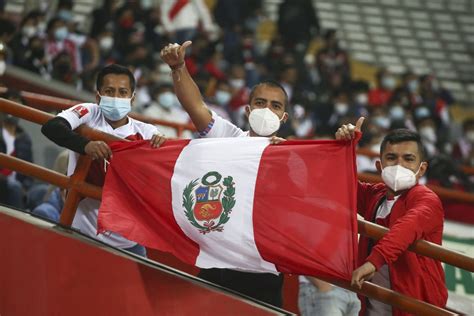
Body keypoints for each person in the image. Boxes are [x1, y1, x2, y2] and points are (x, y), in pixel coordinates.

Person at [160, 41, 286, 307]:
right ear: (248, 110)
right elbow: (195, 106)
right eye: (260, 102)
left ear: (283, 117)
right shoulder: (227, 136)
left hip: (265, 272)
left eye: (275, 106)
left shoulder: (293, 159)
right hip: (218, 264)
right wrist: (178, 67)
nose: (267, 110)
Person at [41, 64, 166, 257]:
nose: (116, 97)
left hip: (128, 241)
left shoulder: (147, 131)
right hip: (82, 231)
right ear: (98, 96)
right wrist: (85, 145)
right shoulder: (89, 112)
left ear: (132, 99)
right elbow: (52, 126)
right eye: (109, 91)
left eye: (122, 92)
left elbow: (163, 166)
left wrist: (162, 145)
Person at [336, 123, 447, 315]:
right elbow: (338, 183)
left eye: (408, 159)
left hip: (414, 309)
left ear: (421, 169)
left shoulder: (427, 199)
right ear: (379, 165)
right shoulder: (375, 195)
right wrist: (342, 148)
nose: (399, 165)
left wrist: (373, 262)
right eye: (391, 157)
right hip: (372, 307)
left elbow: (406, 227)